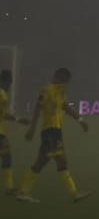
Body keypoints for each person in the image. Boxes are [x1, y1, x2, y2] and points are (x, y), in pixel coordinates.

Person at [14, 68, 91, 203]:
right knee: (60, 160)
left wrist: (80, 120)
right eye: (64, 80)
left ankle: (23, 192)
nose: (65, 83)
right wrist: (32, 128)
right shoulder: (46, 90)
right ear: (57, 77)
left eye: (67, 81)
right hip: (50, 131)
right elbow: (38, 107)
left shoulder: (61, 92)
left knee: (43, 162)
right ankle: (74, 193)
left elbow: (66, 107)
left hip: (55, 131)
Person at [0, 68, 17, 193]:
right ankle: (9, 187)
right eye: (10, 83)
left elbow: (3, 114)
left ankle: (10, 187)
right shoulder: (1, 94)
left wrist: (18, 119)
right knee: (7, 156)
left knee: (6, 156)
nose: (10, 86)